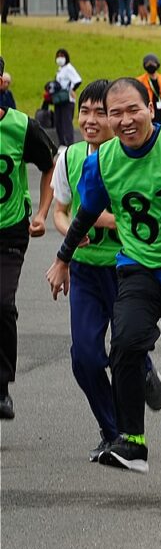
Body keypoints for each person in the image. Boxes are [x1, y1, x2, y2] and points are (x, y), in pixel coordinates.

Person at [46, 77, 161, 481]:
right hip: (139, 265)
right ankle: (132, 439)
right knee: (126, 340)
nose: (125, 120)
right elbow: (86, 211)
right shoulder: (103, 161)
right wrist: (63, 259)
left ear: (152, 107)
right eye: (116, 113)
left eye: (134, 110)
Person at [50, 79, 161, 458]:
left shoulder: (133, 157)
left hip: (125, 267)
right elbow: (61, 213)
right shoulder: (68, 158)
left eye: (101, 112)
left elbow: (132, 216)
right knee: (84, 357)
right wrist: (69, 243)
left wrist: (100, 222)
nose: (91, 119)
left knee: (125, 349)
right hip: (85, 270)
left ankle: (140, 371)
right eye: (85, 111)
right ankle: (111, 427)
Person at [0, 56, 57, 421]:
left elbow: (50, 163)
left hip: (9, 228)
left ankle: (1, 388)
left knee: (1, 303)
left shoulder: (20, 126)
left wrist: (40, 213)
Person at [53, 48, 82, 147]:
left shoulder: (69, 68)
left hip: (67, 99)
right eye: (58, 56)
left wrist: (72, 90)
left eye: (62, 56)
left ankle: (69, 143)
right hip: (59, 99)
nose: (59, 58)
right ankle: (62, 143)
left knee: (66, 122)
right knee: (58, 121)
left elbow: (77, 80)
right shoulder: (60, 70)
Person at [136, 53, 161, 126]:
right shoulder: (140, 81)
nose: (151, 66)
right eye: (148, 64)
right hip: (150, 116)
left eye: (153, 63)